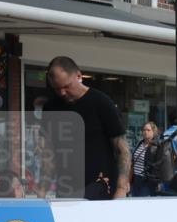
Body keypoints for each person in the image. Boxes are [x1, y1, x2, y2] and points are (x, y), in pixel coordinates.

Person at [41, 56, 130, 200]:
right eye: (57, 89)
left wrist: (121, 188)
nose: (62, 93)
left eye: (67, 86)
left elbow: (122, 149)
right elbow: (48, 152)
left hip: (101, 189)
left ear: (79, 76)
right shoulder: (51, 107)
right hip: (67, 190)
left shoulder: (101, 102)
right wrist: (42, 189)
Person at [129, 122, 160, 198]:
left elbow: (159, 165)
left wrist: (158, 182)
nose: (145, 132)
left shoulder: (156, 146)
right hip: (135, 180)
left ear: (153, 132)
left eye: (148, 130)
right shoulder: (140, 143)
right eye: (144, 130)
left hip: (146, 181)